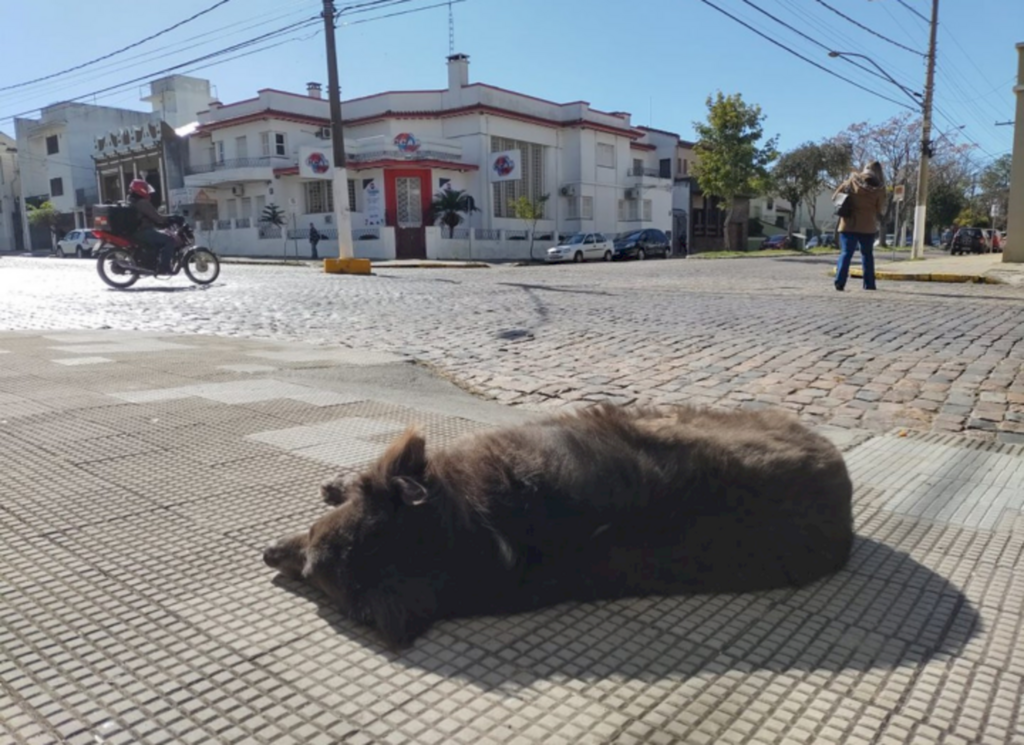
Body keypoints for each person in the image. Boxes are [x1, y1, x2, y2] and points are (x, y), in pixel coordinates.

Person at [832, 161, 886, 291]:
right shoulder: (879, 188)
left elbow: (835, 197)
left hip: (848, 224)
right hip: (867, 226)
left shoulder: (851, 181)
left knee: (846, 253)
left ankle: (840, 281)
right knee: (867, 255)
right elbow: (880, 208)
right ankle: (869, 284)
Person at [127, 179, 176, 274]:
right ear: (141, 190)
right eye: (145, 189)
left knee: (156, 241)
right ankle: (164, 267)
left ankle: (152, 263)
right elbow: (156, 216)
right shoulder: (142, 203)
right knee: (169, 240)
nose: (147, 191)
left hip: (135, 232)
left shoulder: (132, 201)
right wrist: (169, 219)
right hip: (142, 231)